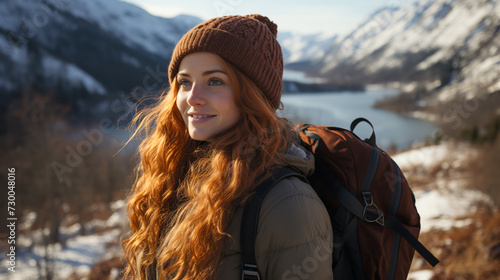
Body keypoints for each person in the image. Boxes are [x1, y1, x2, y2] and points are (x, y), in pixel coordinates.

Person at [122, 14, 333, 280]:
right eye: (185, 82)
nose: (193, 98)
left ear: (253, 95)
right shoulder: (173, 175)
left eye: (214, 81)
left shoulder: (287, 202)